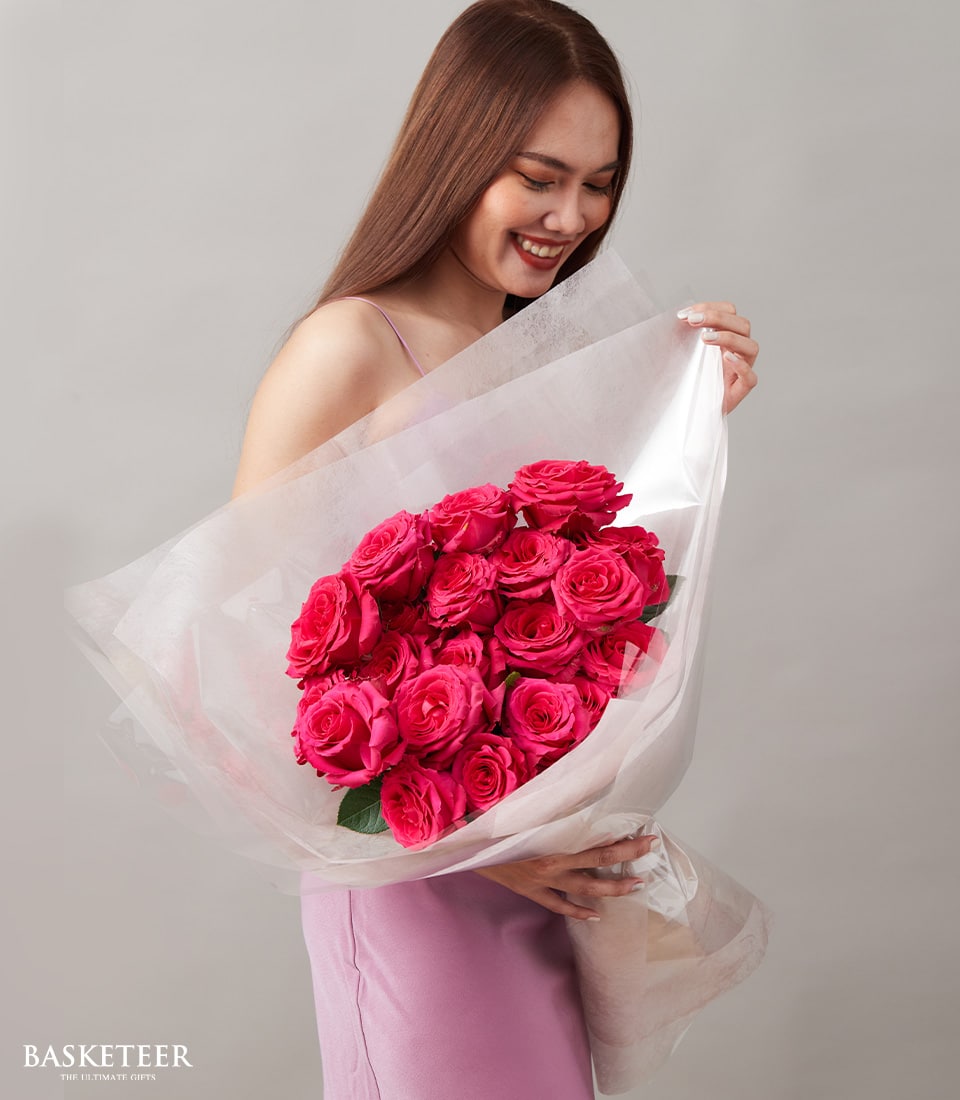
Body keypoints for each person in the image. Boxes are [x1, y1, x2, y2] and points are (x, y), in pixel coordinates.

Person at [231, 2, 759, 1096]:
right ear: (459, 152)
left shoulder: (531, 353)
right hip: (412, 875)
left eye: (600, 182)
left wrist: (689, 414)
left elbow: (574, 602)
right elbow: (239, 658)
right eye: (539, 174)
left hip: (544, 876)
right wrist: (480, 847)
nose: (571, 213)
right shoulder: (347, 345)